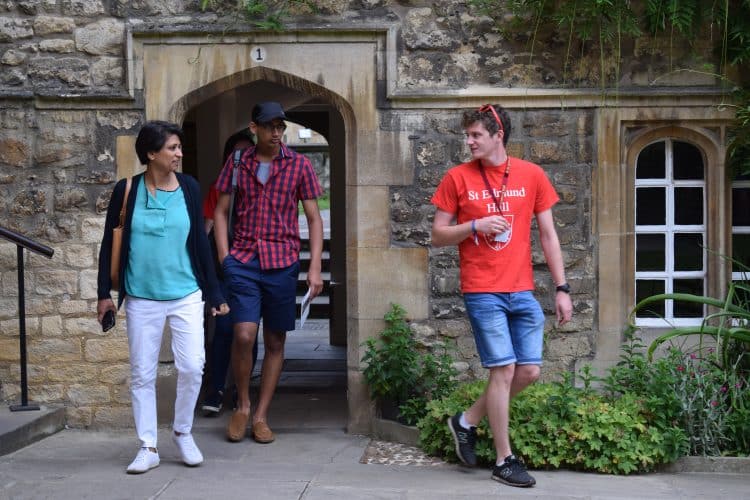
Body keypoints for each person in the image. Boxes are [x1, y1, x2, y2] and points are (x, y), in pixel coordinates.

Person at [430, 104, 573, 488]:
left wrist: (562, 288)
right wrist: (474, 224)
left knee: (529, 371)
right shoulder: (457, 178)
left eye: (476, 135)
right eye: (468, 134)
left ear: (498, 136)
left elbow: (548, 235)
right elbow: (437, 234)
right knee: (503, 369)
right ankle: (504, 459)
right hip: (482, 288)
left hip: (522, 289)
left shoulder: (532, 174)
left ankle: (466, 421)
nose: (469, 141)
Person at [96, 120, 230, 474]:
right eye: (172, 148)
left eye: (179, 147)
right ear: (151, 153)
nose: (179, 153)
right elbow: (110, 243)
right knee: (142, 373)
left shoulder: (188, 187)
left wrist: (215, 291)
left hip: (186, 293)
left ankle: (183, 432)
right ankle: (148, 445)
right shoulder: (127, 190)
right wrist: (103, 294)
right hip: (141, 297)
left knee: (191, 367)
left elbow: (200, 244)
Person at [213, 101, 324, 444]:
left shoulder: (299, 165)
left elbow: (315, 218)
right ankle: (243, 405)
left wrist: (315, 266)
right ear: (254, 128)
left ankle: (261, 415)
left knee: (275, 340)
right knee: (244, 334)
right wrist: (225, 258)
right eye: (270, 127)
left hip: (282, 263)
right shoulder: (236, 164)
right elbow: (220, 212)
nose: (276, 133)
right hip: (244, 263)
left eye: (281, 127)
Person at [200, 130, 258, 416]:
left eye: (247, 154)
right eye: (236, 155)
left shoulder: (262, 186)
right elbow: (207, 230)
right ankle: (217, 388)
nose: (241, 160)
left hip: (253, 268)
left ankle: (241, 391)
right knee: (223, 330)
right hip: (224, 269)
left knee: (248, 331)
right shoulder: (217, 189)